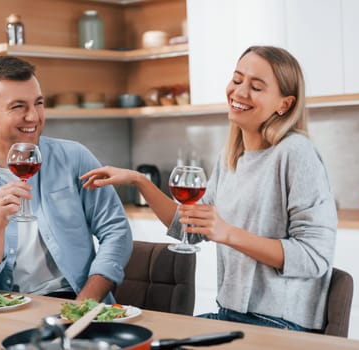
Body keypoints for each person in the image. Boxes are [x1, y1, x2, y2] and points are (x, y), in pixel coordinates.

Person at [80, 46, 337, 332]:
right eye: (237, 80)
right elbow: (189, 228)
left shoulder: (295, 152)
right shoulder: (232, 157)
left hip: (281, 325)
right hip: (230, 315)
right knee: (142, 337)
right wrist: (139, 181)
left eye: (256, 87)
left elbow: (315, 258)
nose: (239, 92)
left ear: (284, 105)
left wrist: (227, 233)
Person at [0, 56, 133, 303]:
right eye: (18, 106)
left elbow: (116, 230)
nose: (34, 117)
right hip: (5, 309)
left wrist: (85, 302)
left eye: (38, 103)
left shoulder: (74, 158)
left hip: (77, 300)